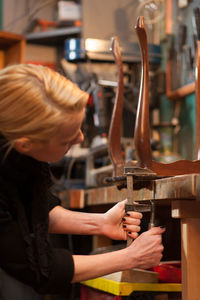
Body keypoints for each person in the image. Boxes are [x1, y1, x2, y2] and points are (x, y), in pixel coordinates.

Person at [0, 64, 165, 297]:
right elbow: (37, 270)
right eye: (67, 140)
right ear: (25, 144)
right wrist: (129, 257)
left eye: (80, 127)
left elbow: (35, 209)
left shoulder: (16, 145)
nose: (80, 138)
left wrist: (101, 223)